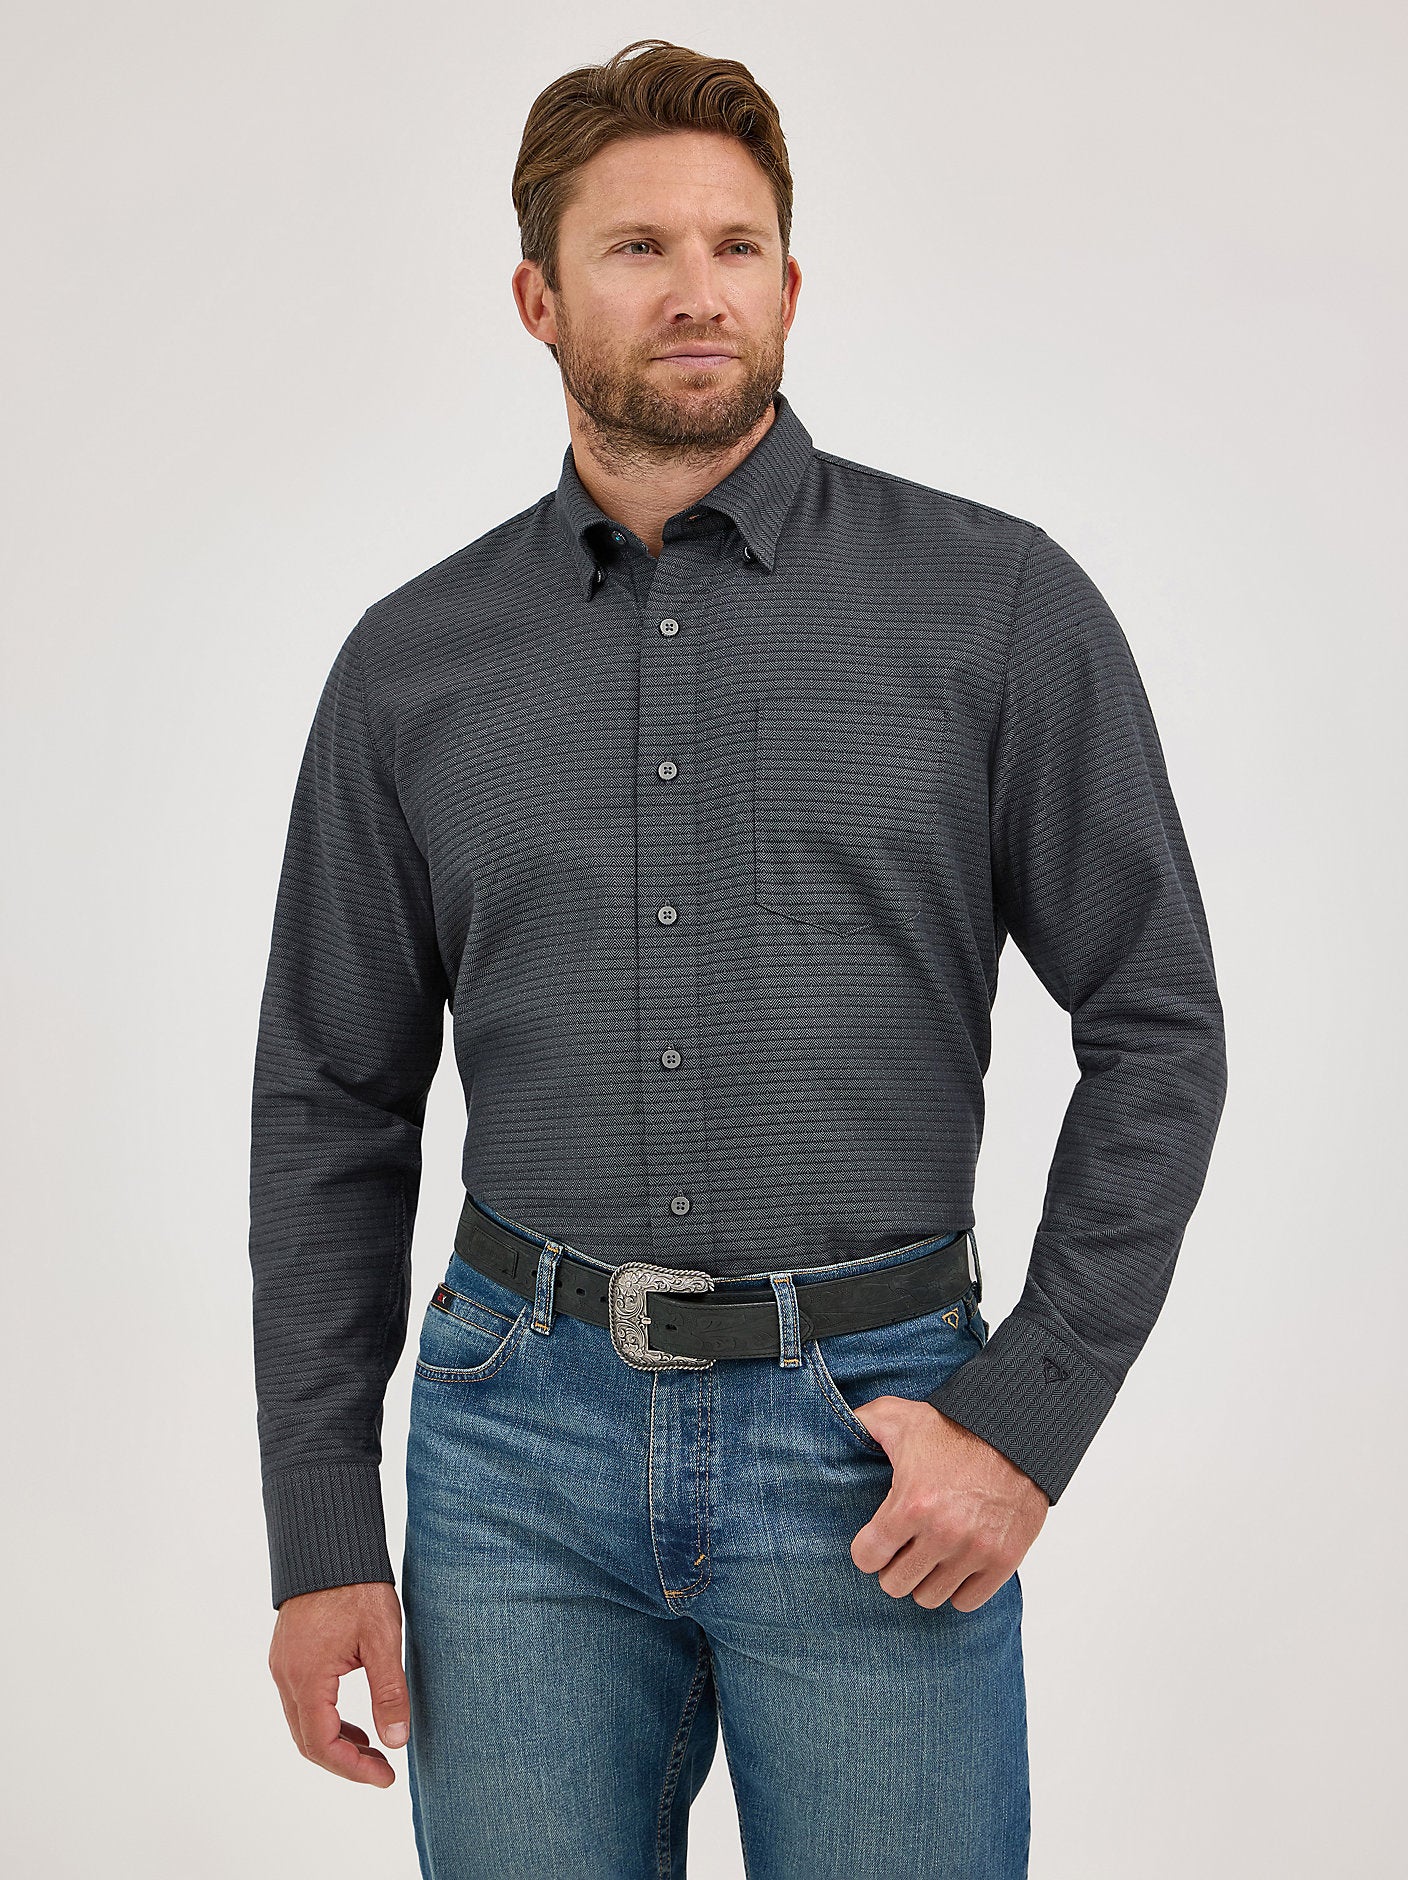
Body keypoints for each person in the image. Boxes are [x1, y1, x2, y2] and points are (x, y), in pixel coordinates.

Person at [251, 37, 1228, 1880]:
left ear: (792, 284)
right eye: (637, 248)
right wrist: (320, 1534)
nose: (697, 289)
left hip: (879, 1448)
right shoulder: (412, 665)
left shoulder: (998, 607)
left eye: (737, 245)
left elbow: (1160, 1023)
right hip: (509, 1458)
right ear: (539, 299)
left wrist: (1026, 1422)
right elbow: (330, 1101)